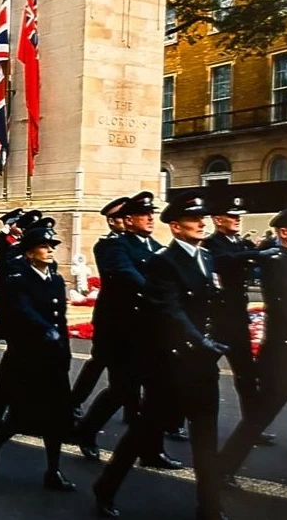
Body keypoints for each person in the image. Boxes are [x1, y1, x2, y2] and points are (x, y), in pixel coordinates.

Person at [94, 193, 229, 520]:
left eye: (203, 219)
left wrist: (220, 339)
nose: (201, 224)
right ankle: (106, 487)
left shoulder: (206, 258)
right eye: (193, 220)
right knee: (143, 431)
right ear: (175, 227)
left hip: (202, 363)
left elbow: (211, 305)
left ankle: (209, 508)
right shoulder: (164, 262)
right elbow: (169, 310)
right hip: (173, 364)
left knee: (206, 438)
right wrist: (198, 341)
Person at [218, 205, 287, 493]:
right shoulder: (276, 260)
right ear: (284, 232)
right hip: (283, 351)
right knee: (259, 417)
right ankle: (222, 468)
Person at [74, 192, 181, 468]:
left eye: (150, 214)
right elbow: (127, 275)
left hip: (148, 329)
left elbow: (173, 269)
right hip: (120, 330)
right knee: (122, 389)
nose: (150, 219)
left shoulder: (154, 245)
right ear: (128, 220)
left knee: (155, 391)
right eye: (144, 215)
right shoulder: (116, 247)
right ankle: (87, 431)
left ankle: (151, 451)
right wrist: (159, 292)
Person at [0, 222, 77, 492]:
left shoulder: (56, 279)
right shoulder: (18, 278)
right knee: (22, 414)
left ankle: (53, 470)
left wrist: (64, 350)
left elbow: (60, 320)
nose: (49, 251)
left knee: (56, 416)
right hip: (29, 356)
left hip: (54, 357)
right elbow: (22, 309)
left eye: (51, 247)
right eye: (43, 247)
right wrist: (43, 329)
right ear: (29, 253)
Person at [203, 196, 265, 440]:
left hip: (237, 318)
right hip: (218, 319)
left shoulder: (238, 243)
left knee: (246, 375)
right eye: (233, 216)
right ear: (218, 220)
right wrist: (249, 256)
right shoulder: (212, 244)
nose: (238, 220)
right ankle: (173, 419)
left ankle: (253, 426)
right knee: (199, 372)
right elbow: (220, 262)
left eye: (239, 217)